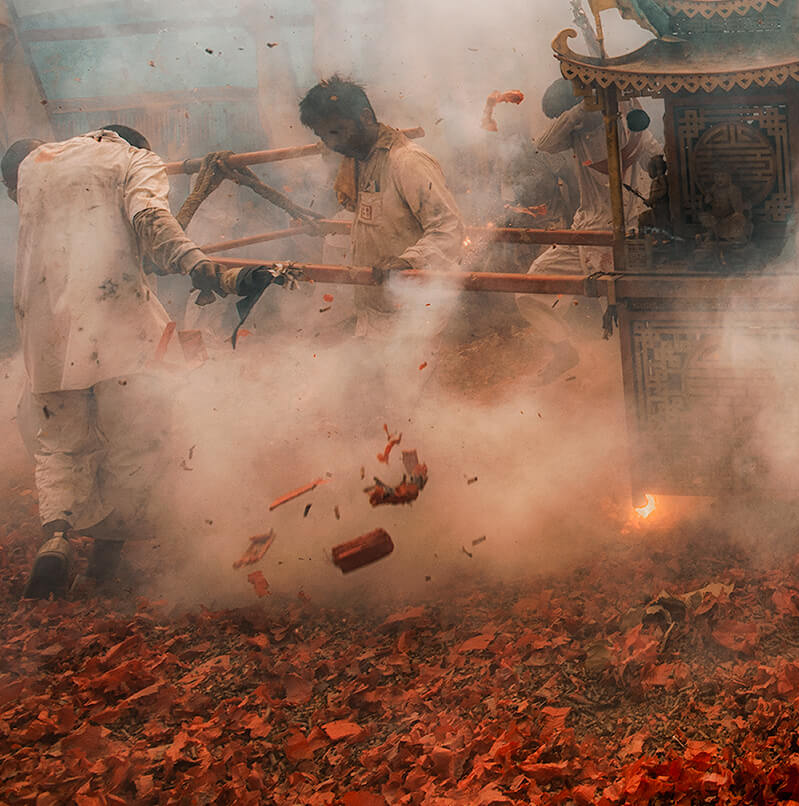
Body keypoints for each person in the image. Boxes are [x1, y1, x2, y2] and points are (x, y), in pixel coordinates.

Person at [6, 126, 269, 598]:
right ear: (138, 147)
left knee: (59, 443)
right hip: (115, 327)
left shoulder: (36, 166)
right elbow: (150, 218)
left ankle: (56, 538)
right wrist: (199, 265)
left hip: (45, 325)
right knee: (135, 438)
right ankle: (106, 560)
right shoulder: (133, 161)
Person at [298, 75, 465, 336]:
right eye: (323, 136)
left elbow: (449, 230)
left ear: (364, 117)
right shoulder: (360, 161)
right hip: (376, 310)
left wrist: (408, 262)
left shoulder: (408, 161)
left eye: (335, 132)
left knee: (408, 377)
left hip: (415, 312)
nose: (331, 144)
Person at [518, 81, 661, 375]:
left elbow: (656, 162)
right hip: (586, 231)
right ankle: (563, 350)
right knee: (528, 290)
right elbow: (544, 144)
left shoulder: (630, 123)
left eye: (563, 114)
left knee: (619, 318)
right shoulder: (575, 128)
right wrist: (582, 111)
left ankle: (634, 387)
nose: (563, 120)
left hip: (628, 232)